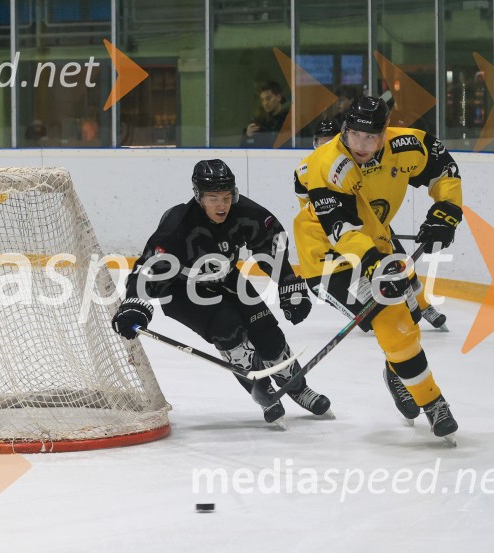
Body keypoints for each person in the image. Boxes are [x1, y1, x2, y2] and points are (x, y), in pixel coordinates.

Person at [111, 159, 330, 426]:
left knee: (267, 331)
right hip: (182, 291)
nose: (222, 205)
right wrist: (135, 302)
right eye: (213, 198)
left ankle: (298, 387)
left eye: (226, 197)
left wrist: (287, 283)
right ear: (198, 196)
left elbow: (270, 241)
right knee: (229, 330)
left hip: (227, 279)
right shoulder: (178, 223)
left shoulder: (243, 212)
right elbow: (149, 266)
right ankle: (261, 389)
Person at [292, 96, 462, 440]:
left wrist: (447, 210)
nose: (362, 145)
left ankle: (397, 372)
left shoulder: (408, 145)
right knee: (393, 322)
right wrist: (373, 265)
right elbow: (340, 229)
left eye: (371, 137)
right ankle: (433, 403)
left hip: (377, 243)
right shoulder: (326, 163)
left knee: (407, 316)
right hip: (328, 259)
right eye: (355, 135)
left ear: (385, 134)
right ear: (345, 130)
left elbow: (445, 171)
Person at [240, 81, 290, 148]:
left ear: (278, 97)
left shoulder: (292, 120)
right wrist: (248, 136)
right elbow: (246, 149)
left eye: (268, 99)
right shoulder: (259, 122)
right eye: (262, 100)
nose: (265, 103)